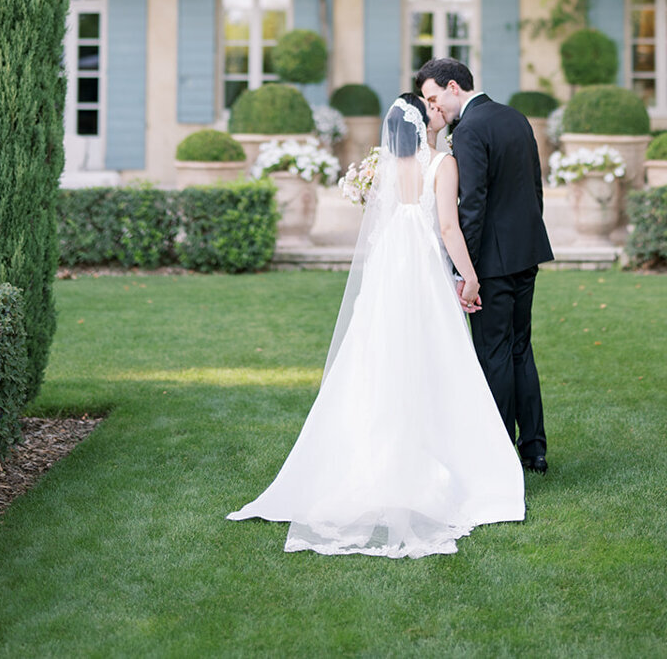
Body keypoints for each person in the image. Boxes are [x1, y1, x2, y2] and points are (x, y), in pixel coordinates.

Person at [226, 93, 525, 557]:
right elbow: (448, 227)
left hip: (389, 263)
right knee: (432, 355)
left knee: (377, 353)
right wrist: (469, 275)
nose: (436, 111)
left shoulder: (385, 167)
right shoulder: (442, 165)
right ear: (424, 123)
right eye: (429, 108)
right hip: (421, 263)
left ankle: (371, 455)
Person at [416, 58, 553, 475]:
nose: (434, 109)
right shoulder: (515, 116)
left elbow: (470, 207)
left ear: (454, 86)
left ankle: (497, 453)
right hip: (526, 251)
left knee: (493, 353)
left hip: (492, 262)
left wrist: (465, 273)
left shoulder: (470, 129)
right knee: (519, 350)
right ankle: (534, 450)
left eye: (434, 98)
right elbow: (534, 188)